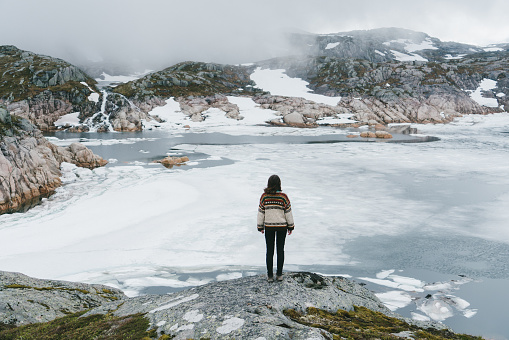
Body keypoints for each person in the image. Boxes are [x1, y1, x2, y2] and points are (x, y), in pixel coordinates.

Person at [257, 174, 294, 282]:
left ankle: (269, 276)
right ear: (279, 184)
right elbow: (288, 213)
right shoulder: (283, 197)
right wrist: (290, 226)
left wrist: (260, 226)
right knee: (280, 250)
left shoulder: (264, 197)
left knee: (269, 250)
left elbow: (261, 213)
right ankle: (279, 275)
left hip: (269, 226)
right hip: (282, 227)